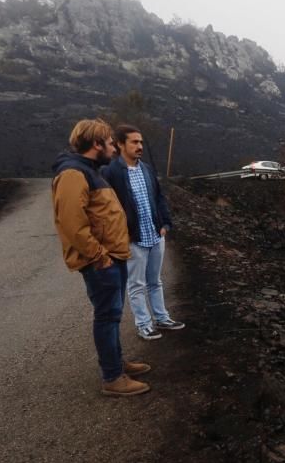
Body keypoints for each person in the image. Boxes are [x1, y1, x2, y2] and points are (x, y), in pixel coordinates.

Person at [51, 118, 151, 396]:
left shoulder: (91, 170)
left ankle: (116, 364)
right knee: (107, 316)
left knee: (113, 314)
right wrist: (99, 256)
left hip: (113, 257)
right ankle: (112, 377)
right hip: (100, 261)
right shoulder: (73, 173)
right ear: (96, 144)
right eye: (109, 142)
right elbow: (72, 223)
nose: (114, 148)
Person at [102, 124, 185, 340]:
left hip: (156, 235)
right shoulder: (110, 172)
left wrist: (165, 224)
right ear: (120, 144)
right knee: (136, 284)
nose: (140, 146)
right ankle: (144, 324)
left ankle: (162, 318)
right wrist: (121, 234)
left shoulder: (146, 169)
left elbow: (159, 197)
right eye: (134, 142)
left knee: (155, 281)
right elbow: (107, 208)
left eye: (140, 142)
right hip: (133, 239)